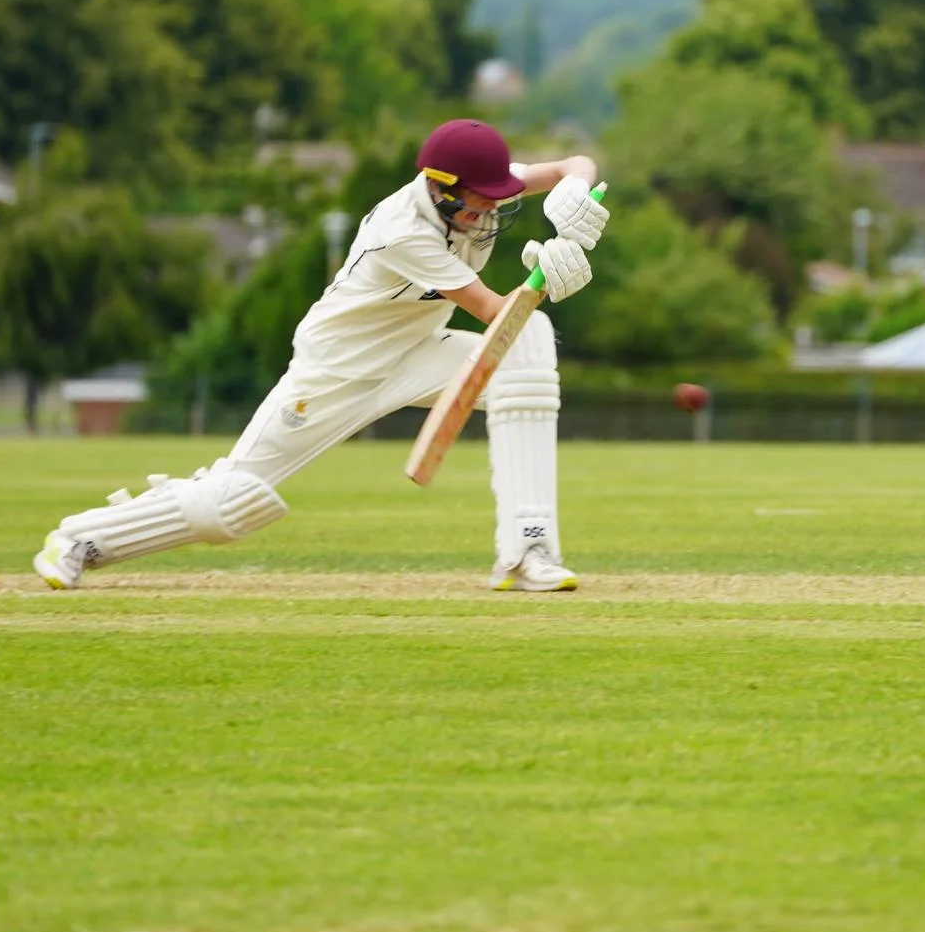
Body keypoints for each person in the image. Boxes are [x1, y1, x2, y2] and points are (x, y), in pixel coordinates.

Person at [32, 118, 610, 592]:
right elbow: (493, 310)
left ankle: (528, 551)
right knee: (231, 504)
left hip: (416, 349)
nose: (489, 215)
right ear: (441, 189)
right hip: (337, 371)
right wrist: (545, 276)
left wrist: (574, 194)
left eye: (496, 203)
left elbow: (570, 166)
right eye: (479, 206)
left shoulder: (476, 186)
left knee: (529, 348)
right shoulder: (401, 230)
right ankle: (83, 537)